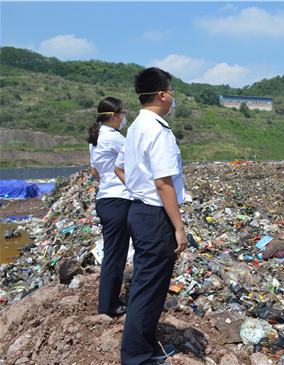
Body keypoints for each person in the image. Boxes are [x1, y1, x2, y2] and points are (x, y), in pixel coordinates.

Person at [115, 67, 188, 365]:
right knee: (149, 287)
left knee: (152, 284)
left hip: (139, 210)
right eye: (171, 91)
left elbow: (120, 168)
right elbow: (163, 182)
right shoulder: (158, 130)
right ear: (161, 94)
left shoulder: (135, 126)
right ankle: (135, 356)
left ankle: (145, 347)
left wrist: (137, 189)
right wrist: (179, 227)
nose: (173, 97)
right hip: (154, 215)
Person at [86, 97, 132, 317]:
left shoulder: (96, 138)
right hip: (118, 201)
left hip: (105, 199)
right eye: (122, 113)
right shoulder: (115, 138)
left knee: (114, 254)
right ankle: (108, 307)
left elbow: (95, 172)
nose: (124, 117)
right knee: (115, 256)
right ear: (113, 115)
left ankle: (112, 300)